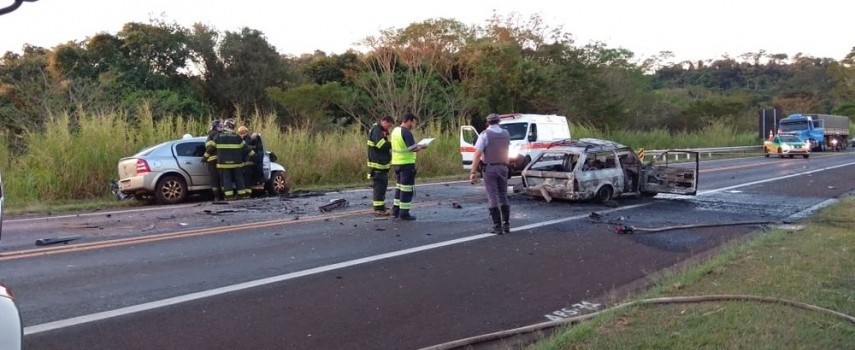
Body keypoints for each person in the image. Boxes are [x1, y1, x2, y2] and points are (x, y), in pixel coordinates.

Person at [469, 113, 511, 234]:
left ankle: (497, 226)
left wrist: (473, 171)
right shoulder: (506, 134)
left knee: (492, 195)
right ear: (499, 122)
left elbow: (477, 154)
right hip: (504, 167)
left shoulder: (484, 135)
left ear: (487, 123)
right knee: (503, 195)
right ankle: (506, 224)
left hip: (490, 168)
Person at [390, 113, 427, 221]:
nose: (414, 125)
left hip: (396, 163)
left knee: (399, 188)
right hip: (406, 164)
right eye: (413, 122)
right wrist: (422, 147)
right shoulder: (406, 132)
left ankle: (395, 211)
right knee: (406, 190)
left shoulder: (395, 131)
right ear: (409, 121)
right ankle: (404, 214)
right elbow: (412, 148)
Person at [206, 118, 254, 200]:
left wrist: (205, 157)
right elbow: (245, 148)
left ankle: (229, 196)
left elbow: (210, 148)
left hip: (224, 163)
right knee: (239, 179)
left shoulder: (219, 136)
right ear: (233, 126)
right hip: (237, 163)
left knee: (226, 180)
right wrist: (253, 155)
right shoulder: (237, 136)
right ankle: (242, 195)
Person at [367, 115, 395, 216]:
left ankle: (381, 207)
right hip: (378, 165)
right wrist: (393, 144)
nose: (389, 128)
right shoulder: (376, 130)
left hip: (380, 164)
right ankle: (378, 209)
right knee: (379, 188)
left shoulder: (379, 129)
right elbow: (381, 145)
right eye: (389, 125)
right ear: (384, 121)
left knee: (382, 187)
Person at [202, 119, 223, 201]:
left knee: (215, 179)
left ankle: (217, 196)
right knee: (221, 179)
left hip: (212, 161)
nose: (221, 127)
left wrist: (205, 157)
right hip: (219, 160)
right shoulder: (216, 134)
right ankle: (221, 196)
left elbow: (212, 147)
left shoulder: (213, 134)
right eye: (219, 126)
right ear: (215, 127)